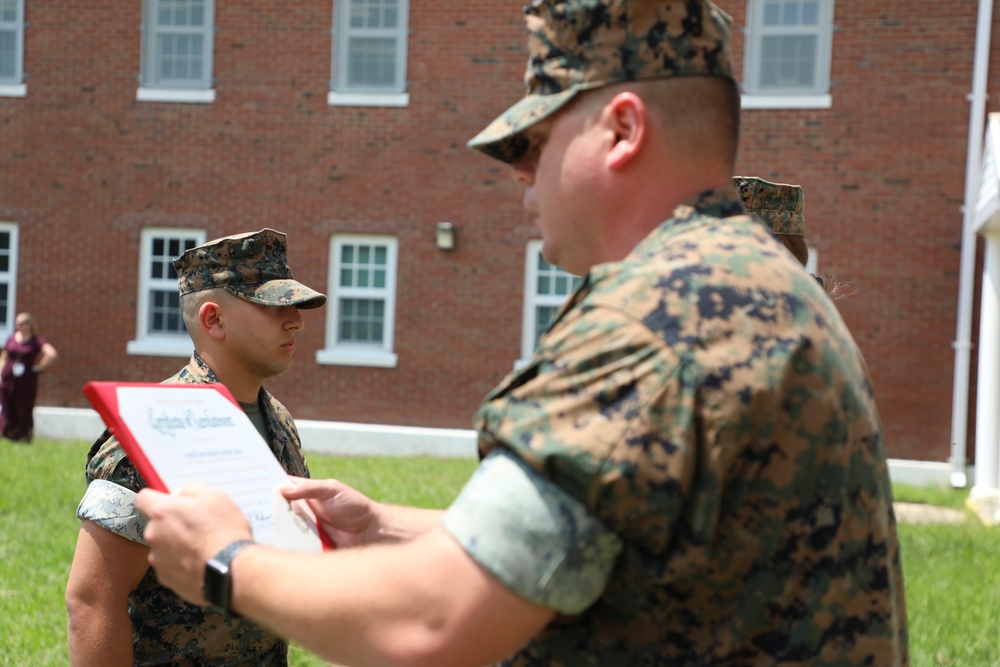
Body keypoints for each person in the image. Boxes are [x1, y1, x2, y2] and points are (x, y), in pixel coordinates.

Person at [134, 1, 908, 665]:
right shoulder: (771, 290)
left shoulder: (654, 323)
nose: (519, 175)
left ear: (623, 129)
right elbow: (596, 532)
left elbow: (436, 622)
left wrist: (228, 560)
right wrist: (382, 525)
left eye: (532, 142)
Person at [65, 229, 326, 666]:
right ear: (213, 320)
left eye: (295, 306)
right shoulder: (155, 429)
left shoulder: (277, 419)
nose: (296, 320)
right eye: (273, 306)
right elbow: (93, 598)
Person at [0, 312, 58, 443]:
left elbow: (52, 354)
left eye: (22, 323)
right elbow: (4, 357)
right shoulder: (11, 339)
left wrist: (38, 368)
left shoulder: (36, 341)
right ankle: (6, 435)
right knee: (7, 406)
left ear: (29, 324)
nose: (18, 325)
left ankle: (23, 436)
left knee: (24, 406)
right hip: (9, 378)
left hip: (26, 381)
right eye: (17, 323)